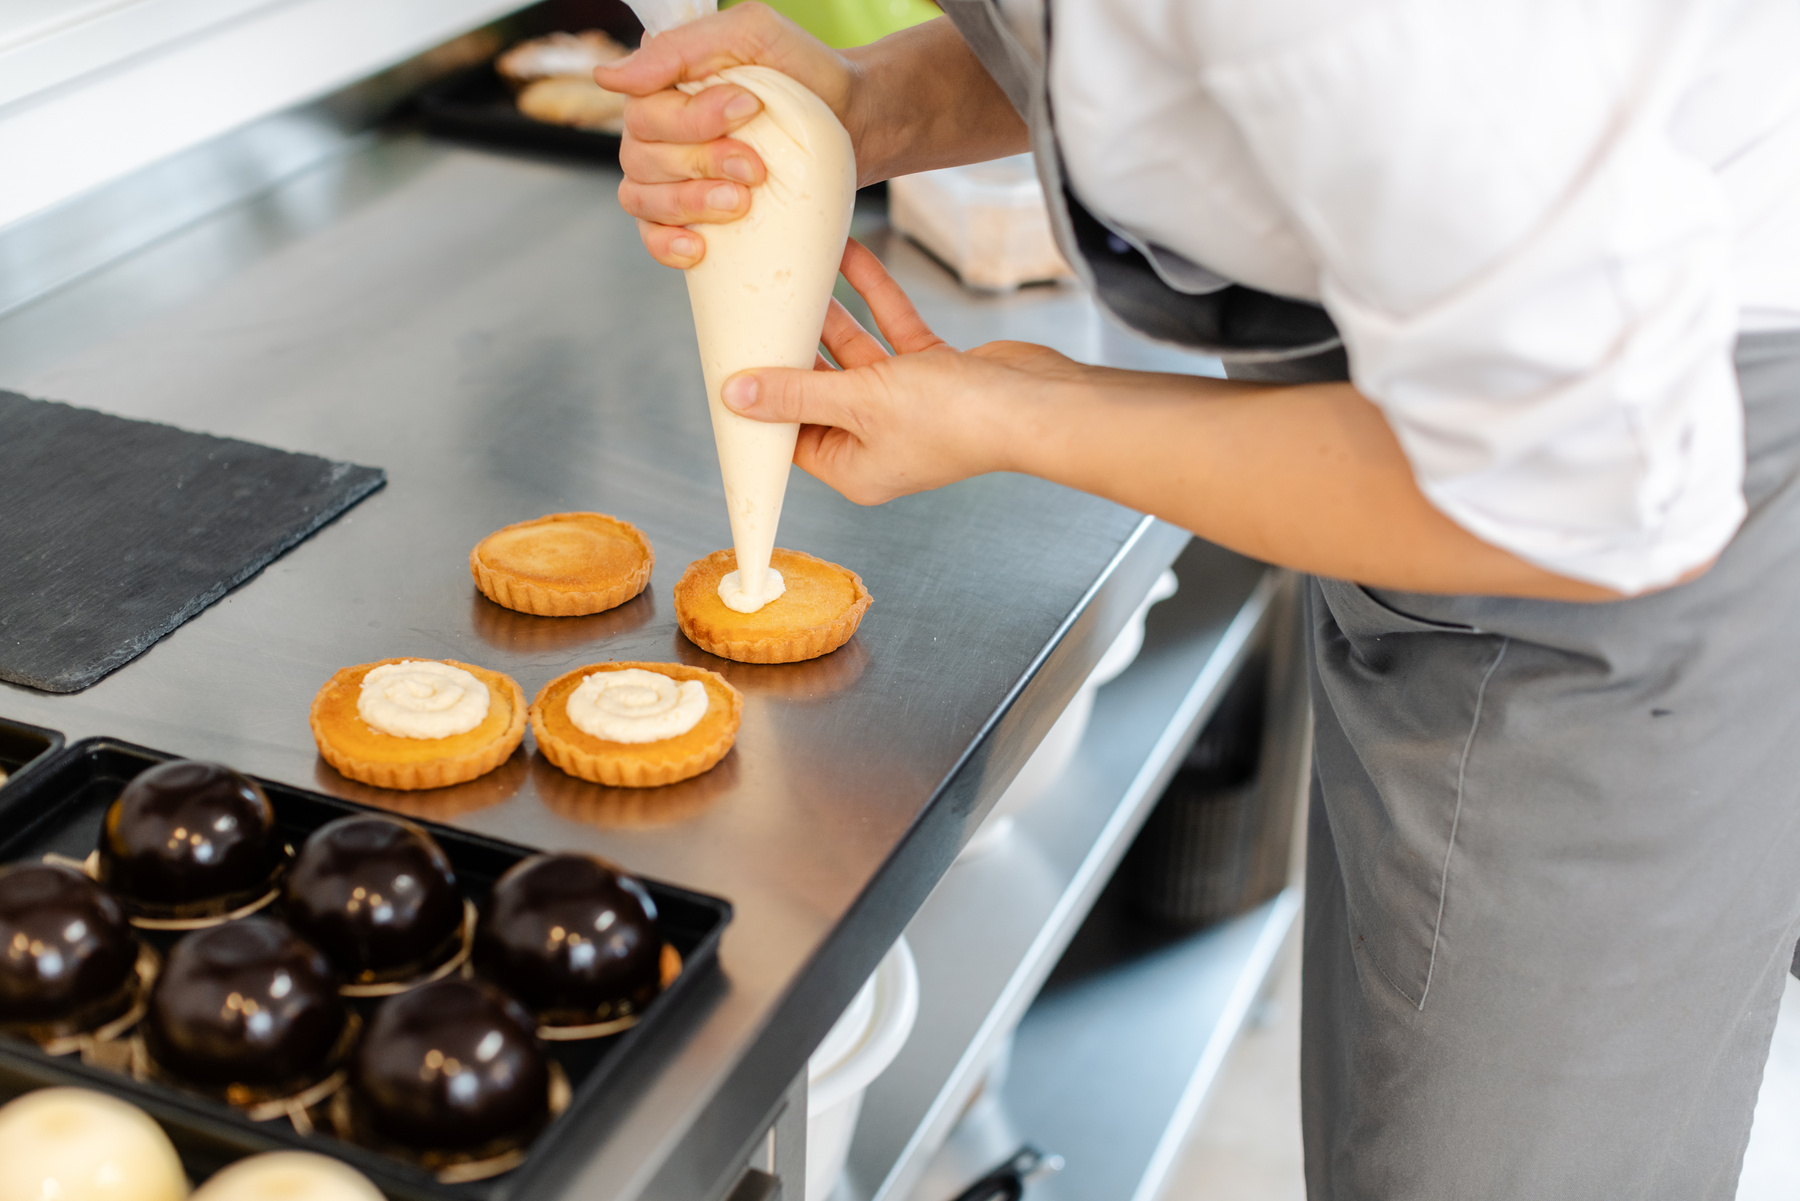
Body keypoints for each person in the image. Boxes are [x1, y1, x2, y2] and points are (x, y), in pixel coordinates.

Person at [596, 4, 1800, 1197]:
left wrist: (1019, 413)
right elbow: (1127, 49)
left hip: (1629, 478)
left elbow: (1596, 492)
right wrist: (863, 109)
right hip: (1471, 393)